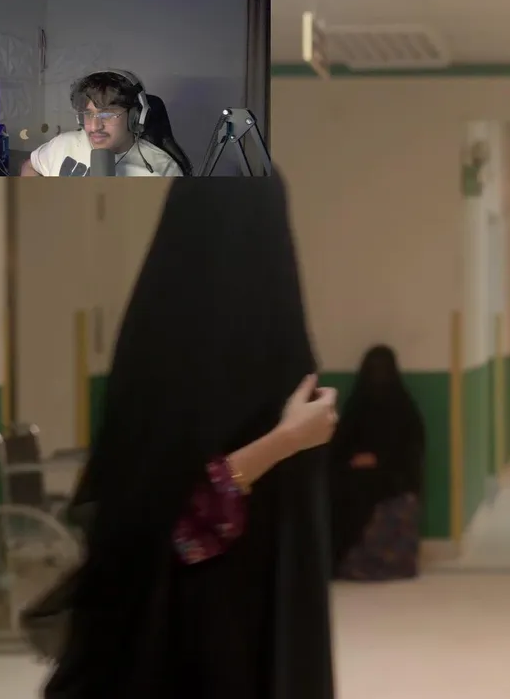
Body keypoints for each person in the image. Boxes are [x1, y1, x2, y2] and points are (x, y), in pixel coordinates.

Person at [43, 174, 338, 699]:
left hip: (244, 629)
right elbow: (168, 529)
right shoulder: (167, 365)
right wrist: (285, 440)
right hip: (177, 644)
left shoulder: (260, 349)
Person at [328, 345, 426, 582]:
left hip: (394, 482)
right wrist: (354, 460)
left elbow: (411, 457)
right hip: (355, 480)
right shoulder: (356, 408)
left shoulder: (405, 411)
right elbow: (338, 449)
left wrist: (380, 460)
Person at [21, 70, 186, 177]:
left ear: (135, 117)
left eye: (107, 114)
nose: (94, 127)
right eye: (88, 114)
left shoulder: (164, 169)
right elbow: (31, 166)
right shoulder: (63, 144)